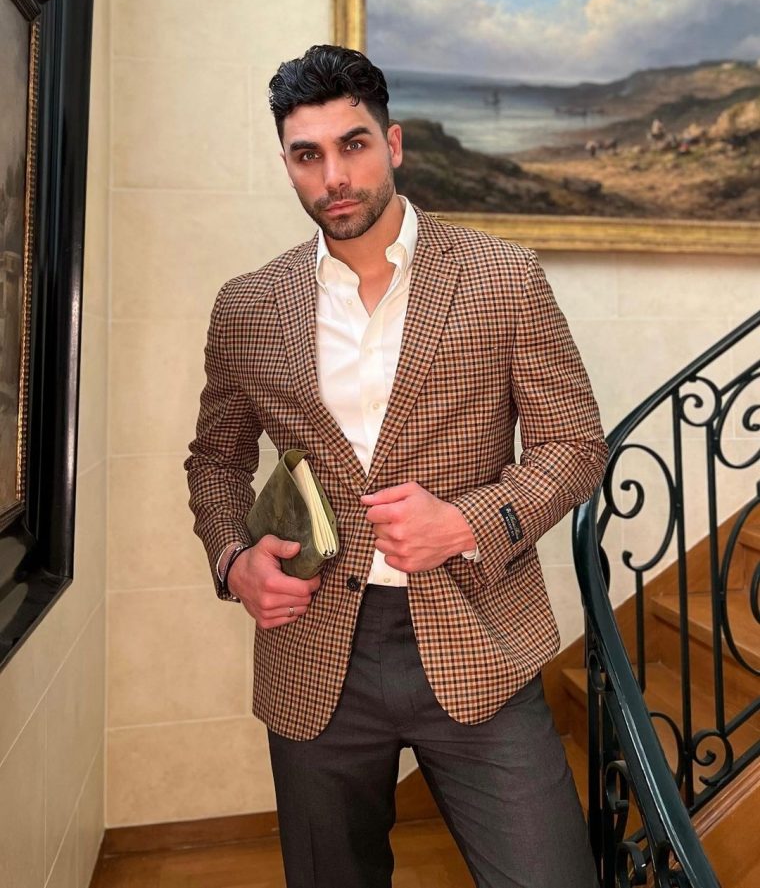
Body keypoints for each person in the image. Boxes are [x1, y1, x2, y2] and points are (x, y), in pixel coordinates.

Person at [185, 44, 607, 888]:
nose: (334, 176)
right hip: (313, 647)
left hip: (478, 629)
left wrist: (468, 521)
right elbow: (217, 460)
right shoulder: (247, 306)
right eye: (307, 155)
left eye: (354, 145)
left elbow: (575, 443)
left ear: (395, 143)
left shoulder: (505, 278)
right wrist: (233, 560)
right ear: (287, 164)